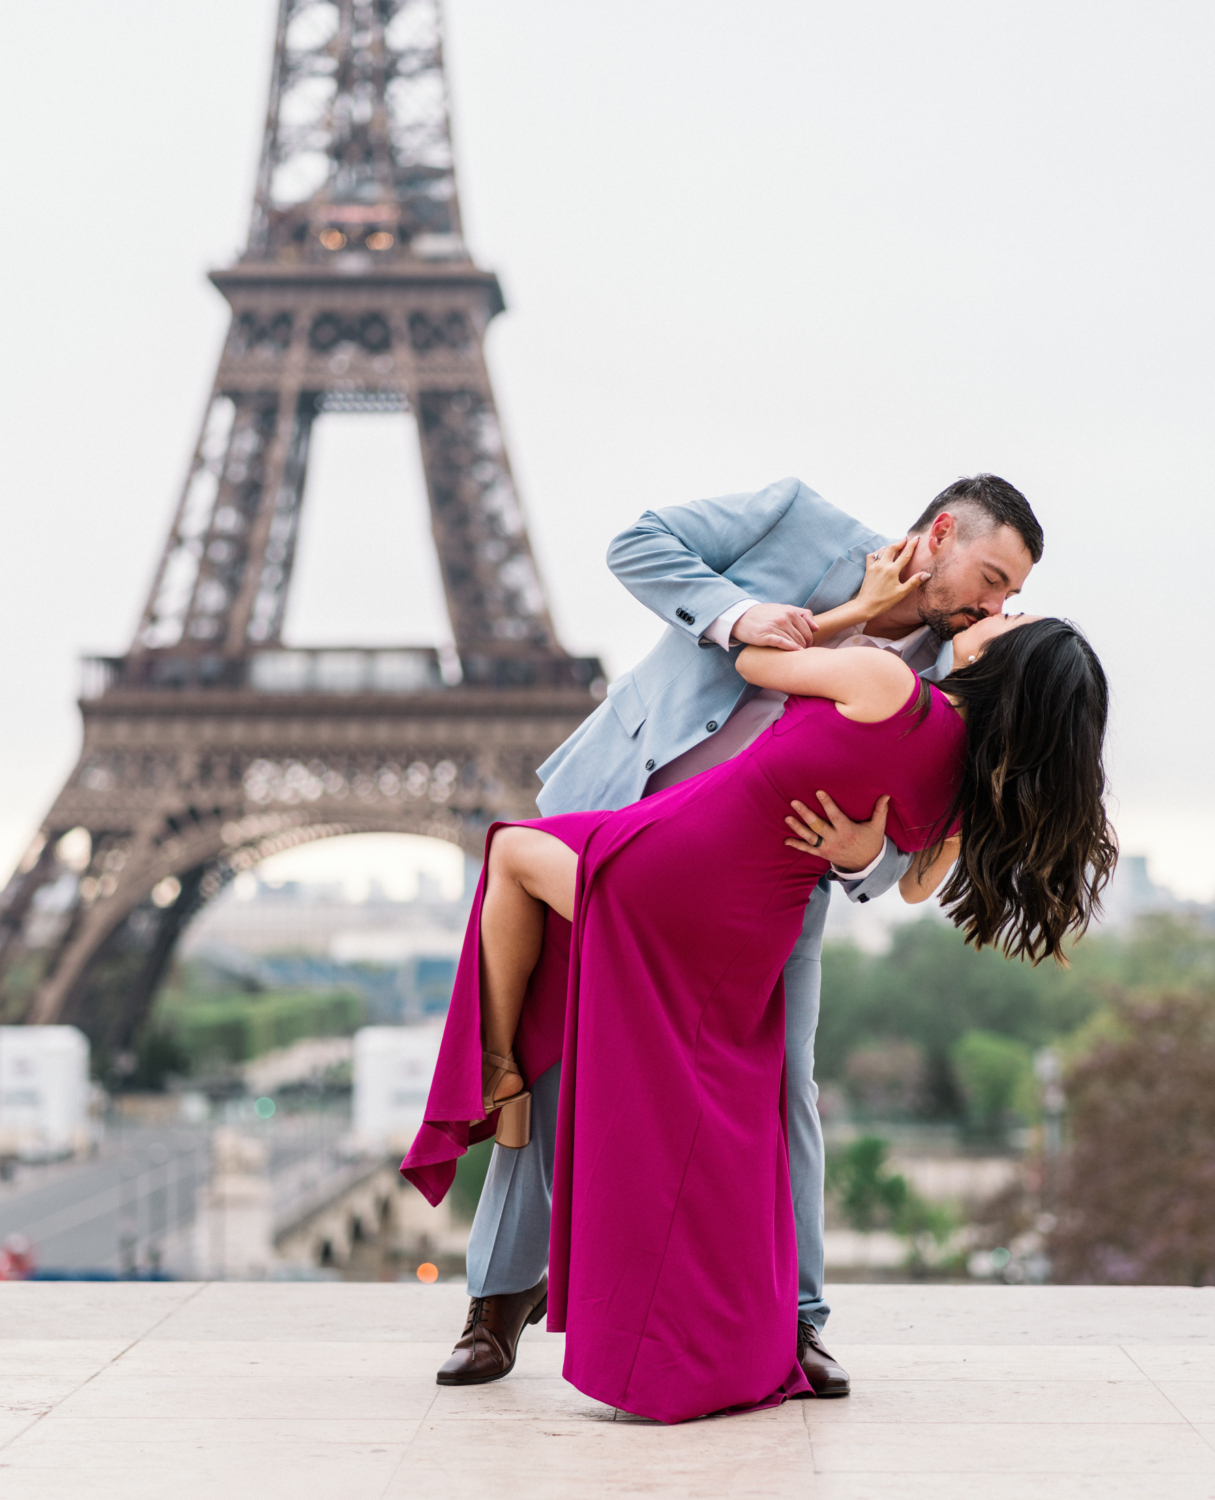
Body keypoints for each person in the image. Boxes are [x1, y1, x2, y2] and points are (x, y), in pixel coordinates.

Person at [404, 610, 1116, 1422]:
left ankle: (496, 1072)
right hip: (752, 935)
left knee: (510, 850)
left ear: (1001, 655)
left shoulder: (887, 682)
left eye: (1013, 612)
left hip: (677, 866)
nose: (1000, 610)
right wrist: (859, 854)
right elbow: (914, 884)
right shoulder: (968, 783)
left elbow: (749, 661)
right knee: (718, 1119)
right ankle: (741, 1337)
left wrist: (846, 618)